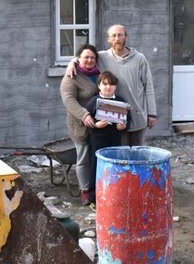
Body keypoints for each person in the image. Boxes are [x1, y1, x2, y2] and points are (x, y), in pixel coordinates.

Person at [67, 24, 157, 146]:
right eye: (113, 35)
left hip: (137, 117)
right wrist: (72, 62)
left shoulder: (139, 58)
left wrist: (152, 113)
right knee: (120, 157)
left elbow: (149, 87)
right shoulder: (103, 57)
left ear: (126, 37)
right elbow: (85, 57)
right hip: (117, 120)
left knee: (137, 156)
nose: (117, 38)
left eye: (120, 35)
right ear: (108, 39)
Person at [60, 44, 101, 206]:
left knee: (97, 157)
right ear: (78, 59)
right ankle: (85, 191)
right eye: (86, 57)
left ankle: (97, 188)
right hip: (80, 124)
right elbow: (68, 100)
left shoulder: (99, 73)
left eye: (92, 57)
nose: (90, 60)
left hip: (99, 123)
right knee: (83, 158)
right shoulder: (72, 76)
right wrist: (84, 115)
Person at [84, 71, 129, 205]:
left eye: (111, 84)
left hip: (114, 140)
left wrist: (124, 126)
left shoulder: (121, 102)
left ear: (115, 87)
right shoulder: (94, 101)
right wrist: (96, 125)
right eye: (105, 84)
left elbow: (128, 120)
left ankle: (113, 194)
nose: (108, 87)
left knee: (114, 167)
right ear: (99, 86)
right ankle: (93, 198)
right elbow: (85, 121)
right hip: (97, 139)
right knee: (95, 167)